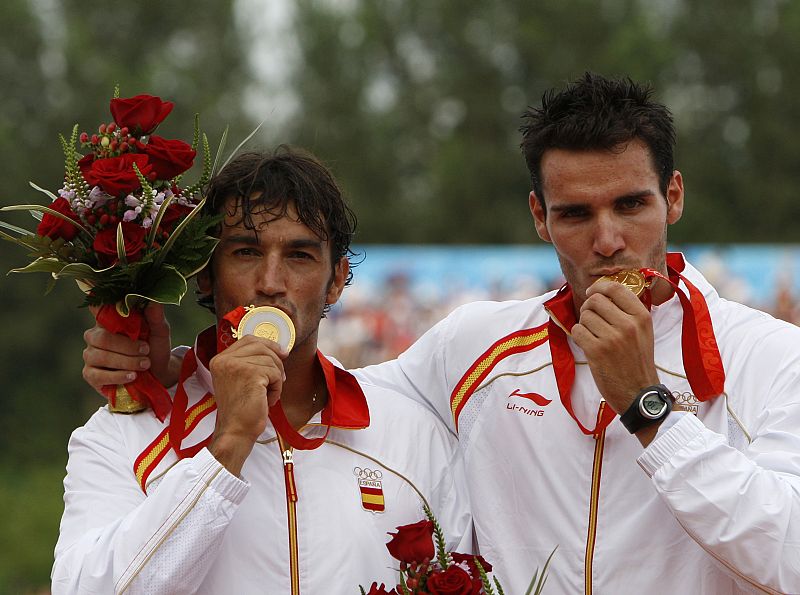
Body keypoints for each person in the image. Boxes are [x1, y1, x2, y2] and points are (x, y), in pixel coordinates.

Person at [82, 73, 800, 594]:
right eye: (576, 214)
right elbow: (322, 389)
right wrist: (173, 365)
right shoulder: (474, 349)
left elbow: (790, 559)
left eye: (632, 204)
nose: (609, 240)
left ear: (674, 196)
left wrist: (651, 410)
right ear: (539, 218)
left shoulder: (770, 359)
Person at [54, 148, 472, 593]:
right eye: (246, 252)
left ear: (335, 280)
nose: (270, 282)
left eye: (299, 256)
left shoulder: (413, 436)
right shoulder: (120, 437)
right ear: (206, 276)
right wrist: (229, 443)